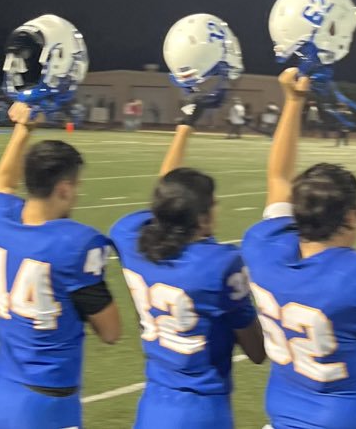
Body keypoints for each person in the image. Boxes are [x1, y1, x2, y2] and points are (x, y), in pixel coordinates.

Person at [243, 69, 356, 429]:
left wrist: (293, 102)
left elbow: (277, 178)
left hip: (283, 417)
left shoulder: (264, 249)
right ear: (352, 217)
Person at [110, 122, 266, 428]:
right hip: (202, 410)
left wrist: (183, 129)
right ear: (202, 217)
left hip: (153, 405)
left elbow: (160, 209)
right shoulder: (218, 264)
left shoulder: (129, 237)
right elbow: (257, 350)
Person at [0, 102, 122, 429]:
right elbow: (111, 332)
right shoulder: (75, 243)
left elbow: (3, 184)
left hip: (2, 394)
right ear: (64, 188)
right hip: (49, 404)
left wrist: (23, 129)